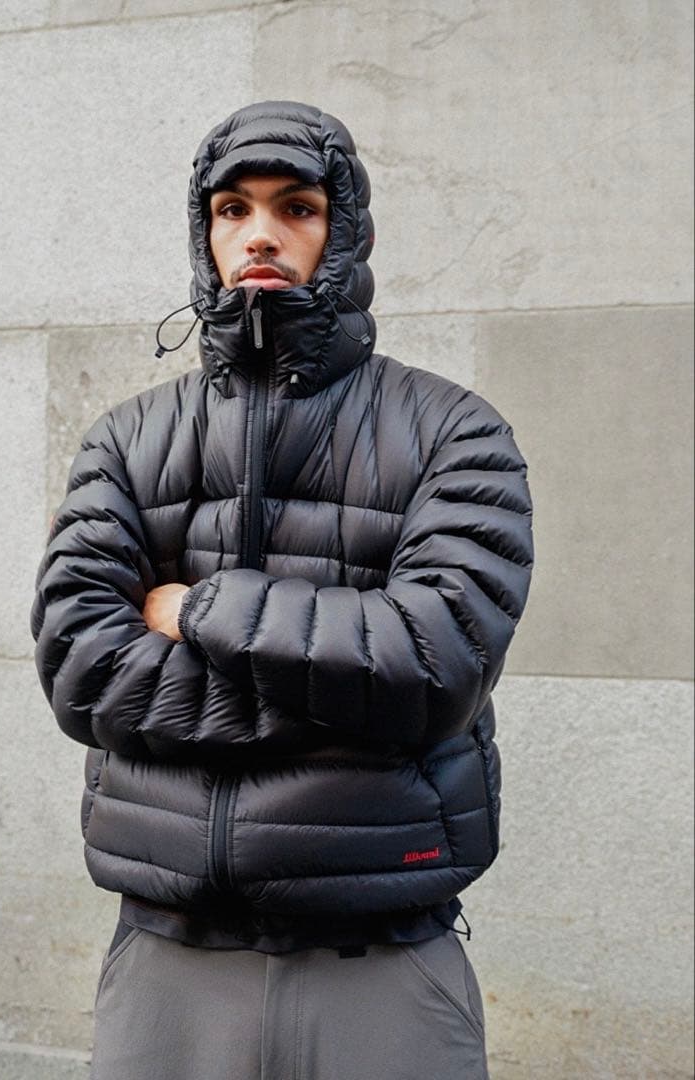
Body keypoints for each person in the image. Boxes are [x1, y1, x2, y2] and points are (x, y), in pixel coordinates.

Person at [31, 100, 534, 1079]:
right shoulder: (124, 441)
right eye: (233, 209)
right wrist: (342, 694)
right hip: (168, 962)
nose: (260, 234)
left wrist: (196, 611)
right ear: (205, 232)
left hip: (381, 959)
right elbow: (84, 674)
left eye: (295, 207)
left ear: (344, 235)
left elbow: (432, 665)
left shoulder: (454, 432)